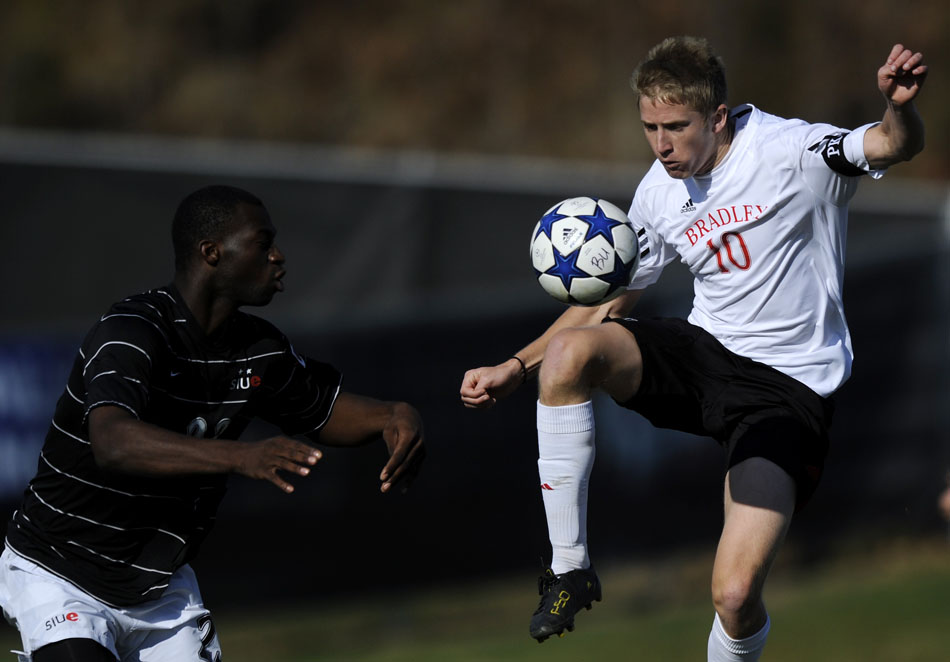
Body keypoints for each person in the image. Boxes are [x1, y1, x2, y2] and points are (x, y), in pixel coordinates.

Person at [461, 37, 926, 659]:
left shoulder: (792, 150)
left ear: (718, 117)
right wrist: (517, 367)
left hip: (787, 392)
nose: (662, 144)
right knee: (571, 353)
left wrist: (898, 108)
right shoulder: (658, 189)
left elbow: (893, 145)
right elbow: (613, 296)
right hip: (704, 355)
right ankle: (570, 568)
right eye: (650, 127)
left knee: (734, 595)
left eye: (676, 127)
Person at [0, 185, 425, 662]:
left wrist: (394, 416)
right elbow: (113, 441)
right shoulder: (132, 330)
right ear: (212, 253)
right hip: (59, 569)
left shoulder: (259, 350)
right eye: (263, 244)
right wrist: (242, 456)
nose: (279, 256)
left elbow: (325, 411)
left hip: (158, 589)